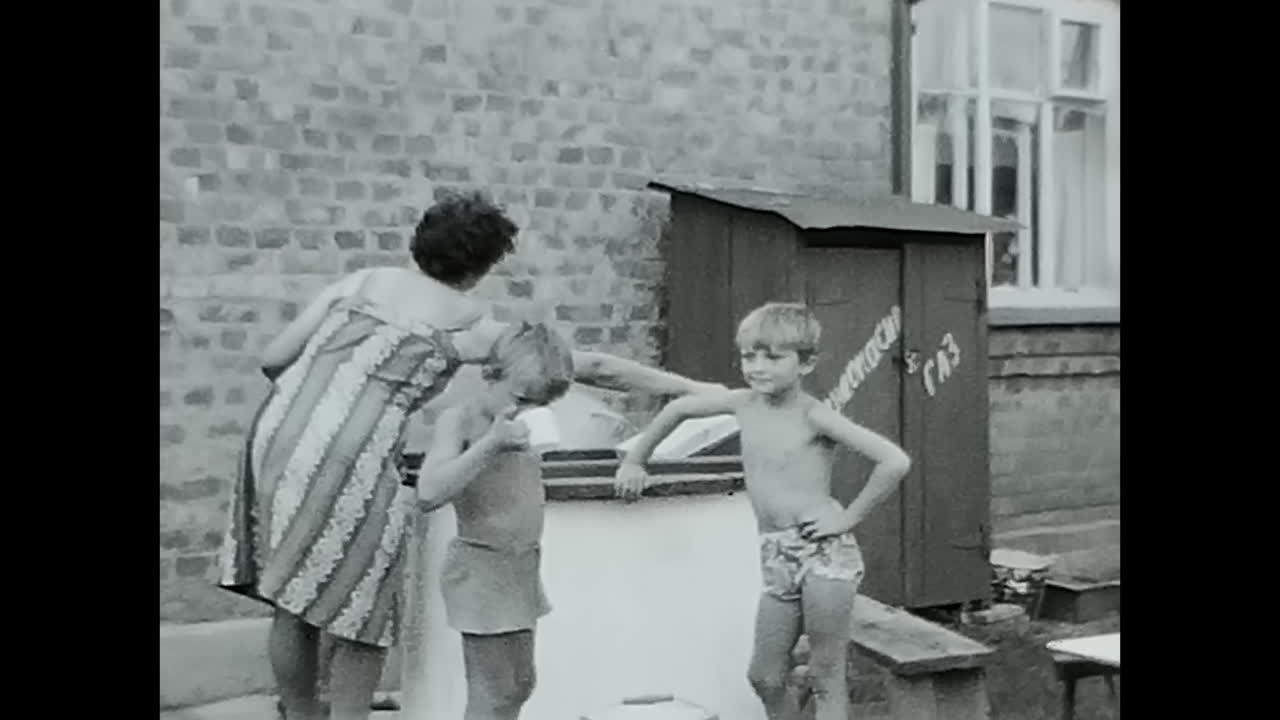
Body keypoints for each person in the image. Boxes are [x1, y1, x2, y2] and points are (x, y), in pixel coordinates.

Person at [215, 191, 721, 720]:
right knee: (358, 611)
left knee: (292, 597)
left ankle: (298, 714)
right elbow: (589, 367)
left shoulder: (361, 281)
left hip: (276, 433)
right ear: (482, 267)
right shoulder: (468, 322)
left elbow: (272, 358)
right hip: (352, 452)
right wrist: (691, 387)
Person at [613, 302, 912, 720]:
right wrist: (635, 460)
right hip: (775, 554)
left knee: (827, 676)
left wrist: (847, 518)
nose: (757, 367)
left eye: (773, 357)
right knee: (765, 676)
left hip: (822, 555)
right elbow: (676, 409)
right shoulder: (741, 403)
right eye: (749, 356)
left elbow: (894, 461)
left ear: (806, 364)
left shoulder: (814, 415)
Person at [414, 321, 573, 720]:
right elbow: (429, 492)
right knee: (492, 688)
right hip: (481, 565)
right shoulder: (462, 421)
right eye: (521, 398)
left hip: (520, 565)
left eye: (541, 404)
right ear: (491, 374)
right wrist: (490, 444)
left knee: (519, 683)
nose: (527, 411)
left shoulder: (522, 425)